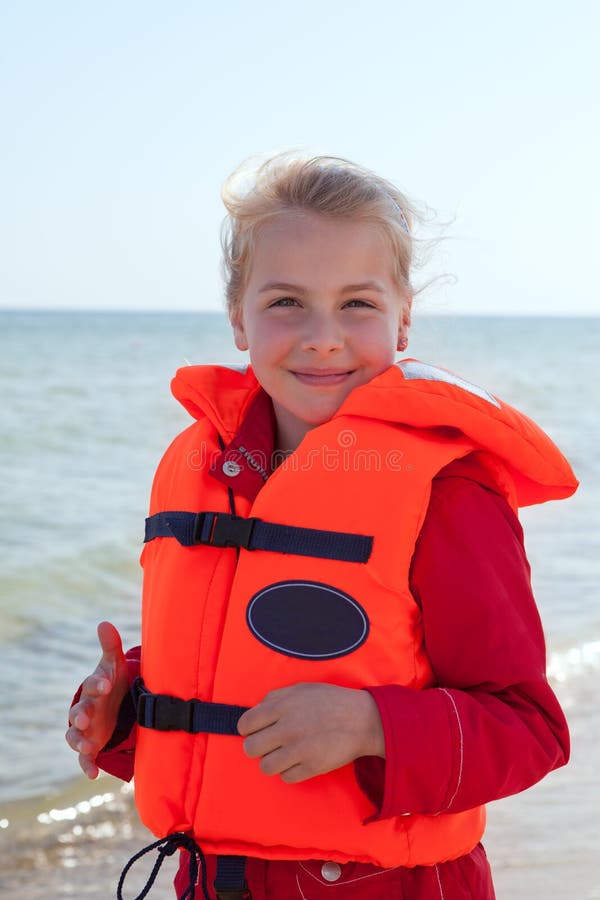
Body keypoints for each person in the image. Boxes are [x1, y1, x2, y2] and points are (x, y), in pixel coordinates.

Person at [66, 153, 578, 900]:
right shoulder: (206, 472)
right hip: (210, 881)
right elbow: (232, 674)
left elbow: (529, 729)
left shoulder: (449, 494)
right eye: (285, 303)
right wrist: (126, 711)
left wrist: (371, 725)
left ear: (403, 317)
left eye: (358, 305)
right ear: (238, 317)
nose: (322, 337)